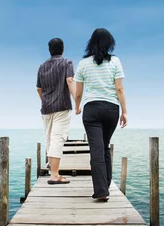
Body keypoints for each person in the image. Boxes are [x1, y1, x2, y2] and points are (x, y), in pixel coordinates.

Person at [73, 28, 128, 201]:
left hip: (92, 109)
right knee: (104, 147)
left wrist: (77, 106)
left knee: (97, 150)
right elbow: (119, 88)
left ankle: (102, 190)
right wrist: (125, 111)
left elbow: (78, 92)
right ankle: (105, 185)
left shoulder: (83, 64)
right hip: (112, 109)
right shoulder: (115, 62)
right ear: (109, 43)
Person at [36, 37, 76, 184]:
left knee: (49, 138)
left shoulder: (42, 67)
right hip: (62, 106)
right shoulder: (67, 63)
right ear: (62, 49)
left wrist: (45, 101)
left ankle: (52, 169)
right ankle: (54, 175)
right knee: (58, 138)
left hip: (46, 108)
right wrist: (77, 101)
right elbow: (70, 81)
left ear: (49, 50)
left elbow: (39, 89)